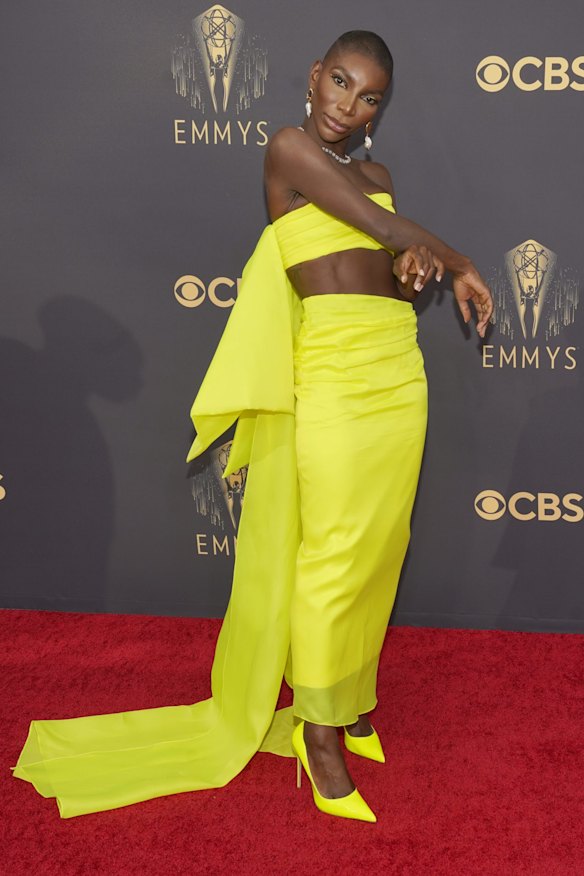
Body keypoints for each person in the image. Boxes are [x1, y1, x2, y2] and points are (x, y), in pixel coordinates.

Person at [11, 30, 492, 822]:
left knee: (379, 546)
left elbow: (388, 269)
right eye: (339, 81)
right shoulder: (289, 152)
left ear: (380, 109)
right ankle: (317, 733)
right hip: (333, 378)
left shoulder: (379, 175)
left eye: (368, 95)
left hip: (398, 371)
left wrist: (414, 275)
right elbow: (373, 228)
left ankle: (349, 697)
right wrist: (448, 253)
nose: (348, 103)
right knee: (334, 554)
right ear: (314, 76)